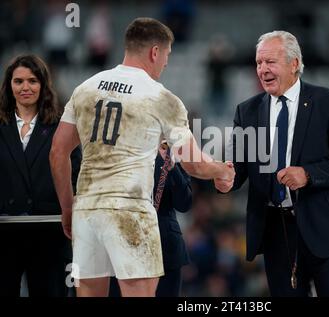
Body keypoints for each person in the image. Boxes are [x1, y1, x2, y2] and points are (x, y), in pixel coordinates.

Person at [49, 17, 234, 297]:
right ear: (155, 52)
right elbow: (193, 163)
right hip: (130, 209)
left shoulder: (86, 88)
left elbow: (57, 152)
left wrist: (67, 207)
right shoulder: (161, 97)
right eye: (167, 56)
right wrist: (221, 171)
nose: (166, 64)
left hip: (87, 209)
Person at [216, 31, 329, 296]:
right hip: (279, 236)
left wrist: (308, 174)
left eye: (270, 62)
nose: (263, 69)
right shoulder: (247, 111)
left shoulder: (328, 103)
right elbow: (237, 169)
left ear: (294, 63)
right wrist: (221, 175)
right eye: (259, 63)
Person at [0, 54, 81, 297]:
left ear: (43, 85)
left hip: (50, 235)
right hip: (4, 235)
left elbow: (74, 174)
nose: (25, 87)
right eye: (18, 81)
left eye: (33, 81)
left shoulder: (62, 127)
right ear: (9, 86)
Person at [109, 141, 192, 297]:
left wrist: (172, 167)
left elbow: (185, 203)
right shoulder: (117, 149)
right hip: (124, 245)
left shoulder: (169, 149)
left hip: (165, 247)